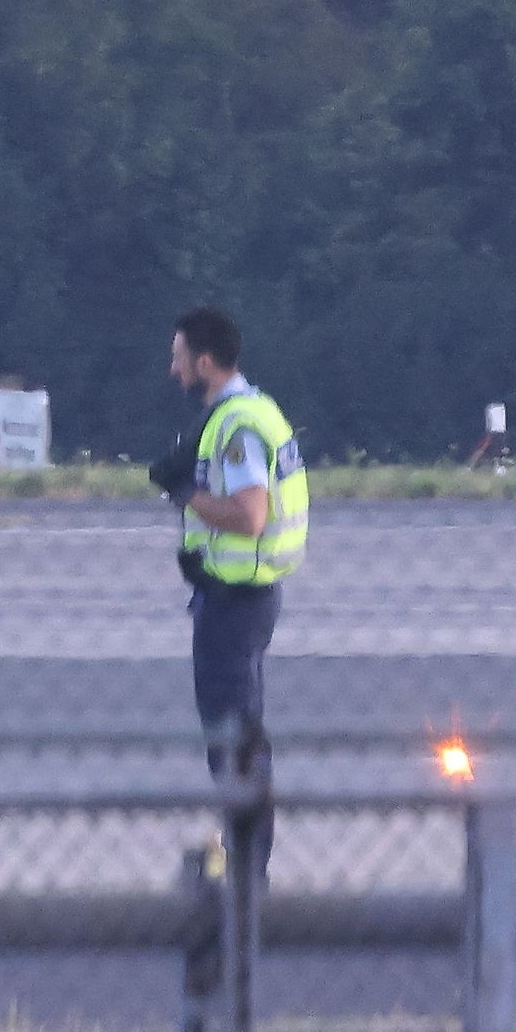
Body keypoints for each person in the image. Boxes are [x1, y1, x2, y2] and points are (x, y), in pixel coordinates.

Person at [158, 306, 308, 881]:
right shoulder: (255, 410)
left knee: (233, 737)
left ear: (204, 361)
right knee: (239, 732)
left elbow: (249, 515)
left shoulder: (238, 426)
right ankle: (244, 850)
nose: (173, 372)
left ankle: (247, 863)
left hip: (235, 600)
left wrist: (184, 495)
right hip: (242, 595)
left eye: (178, 358)